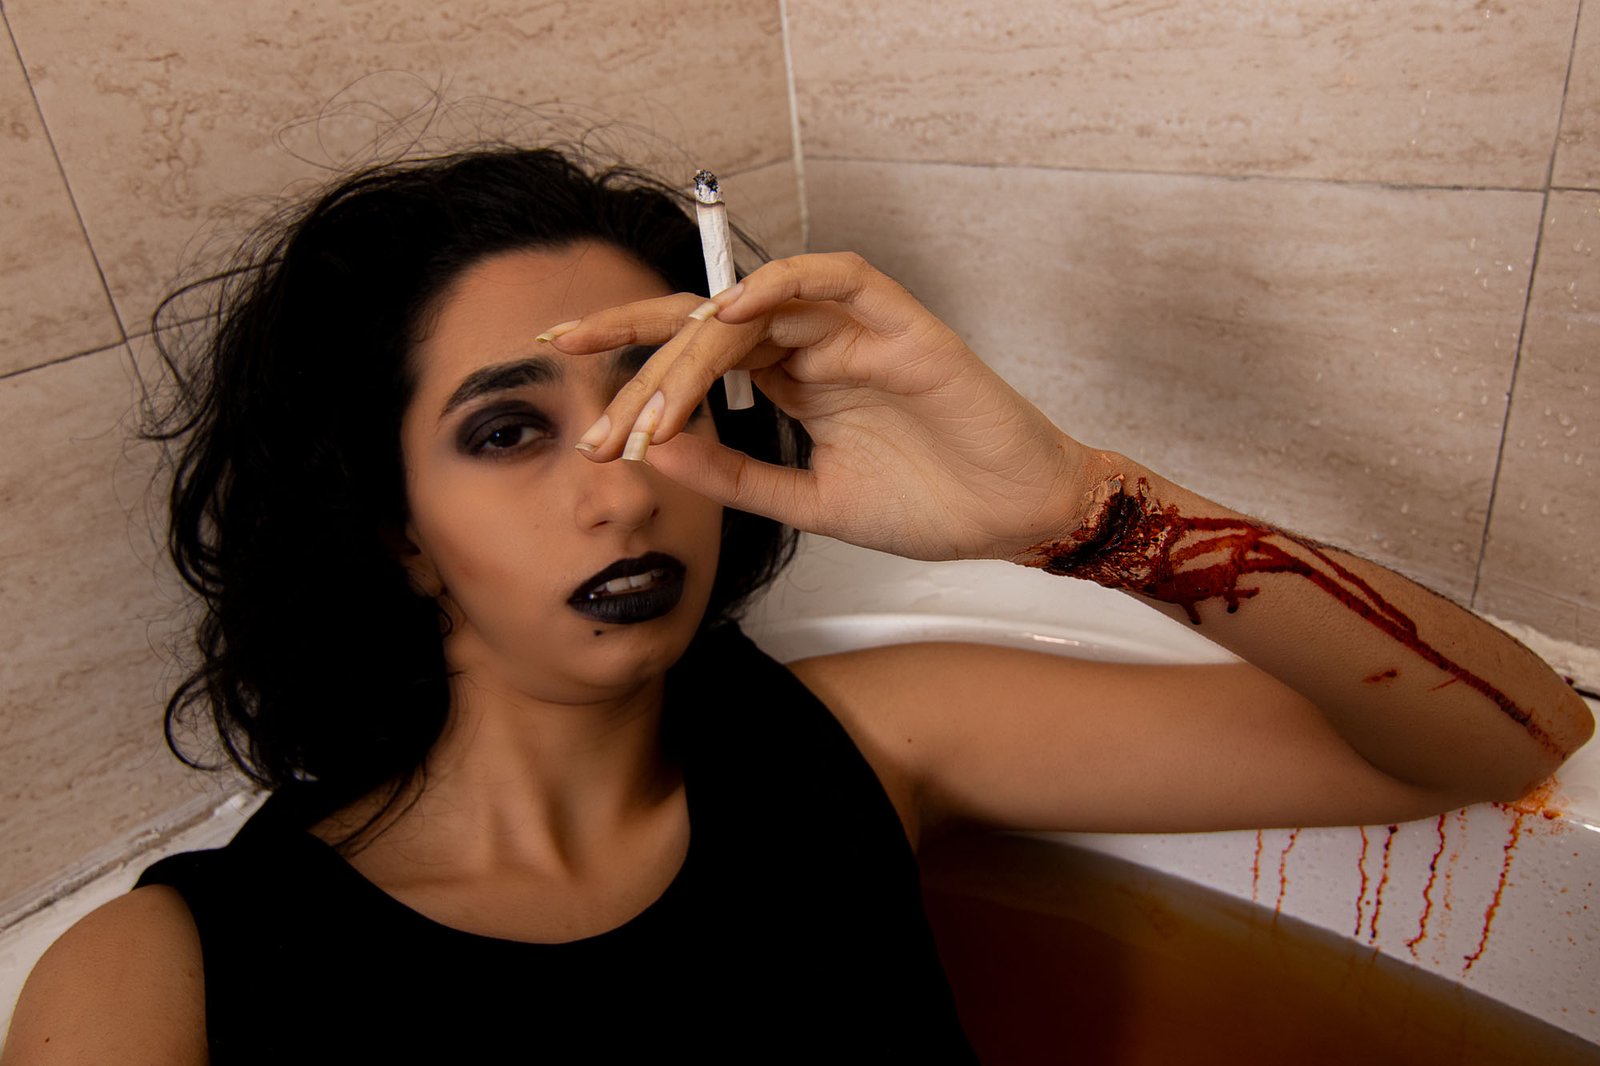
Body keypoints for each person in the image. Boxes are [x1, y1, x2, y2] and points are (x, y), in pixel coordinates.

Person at [3, 145, 1591, 1064]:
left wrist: (1081, 507)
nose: (626, 484)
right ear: (395, 531)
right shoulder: (160, 980)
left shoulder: (863, 742)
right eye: (506, 433)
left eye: (665, 395)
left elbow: (1510, 736)